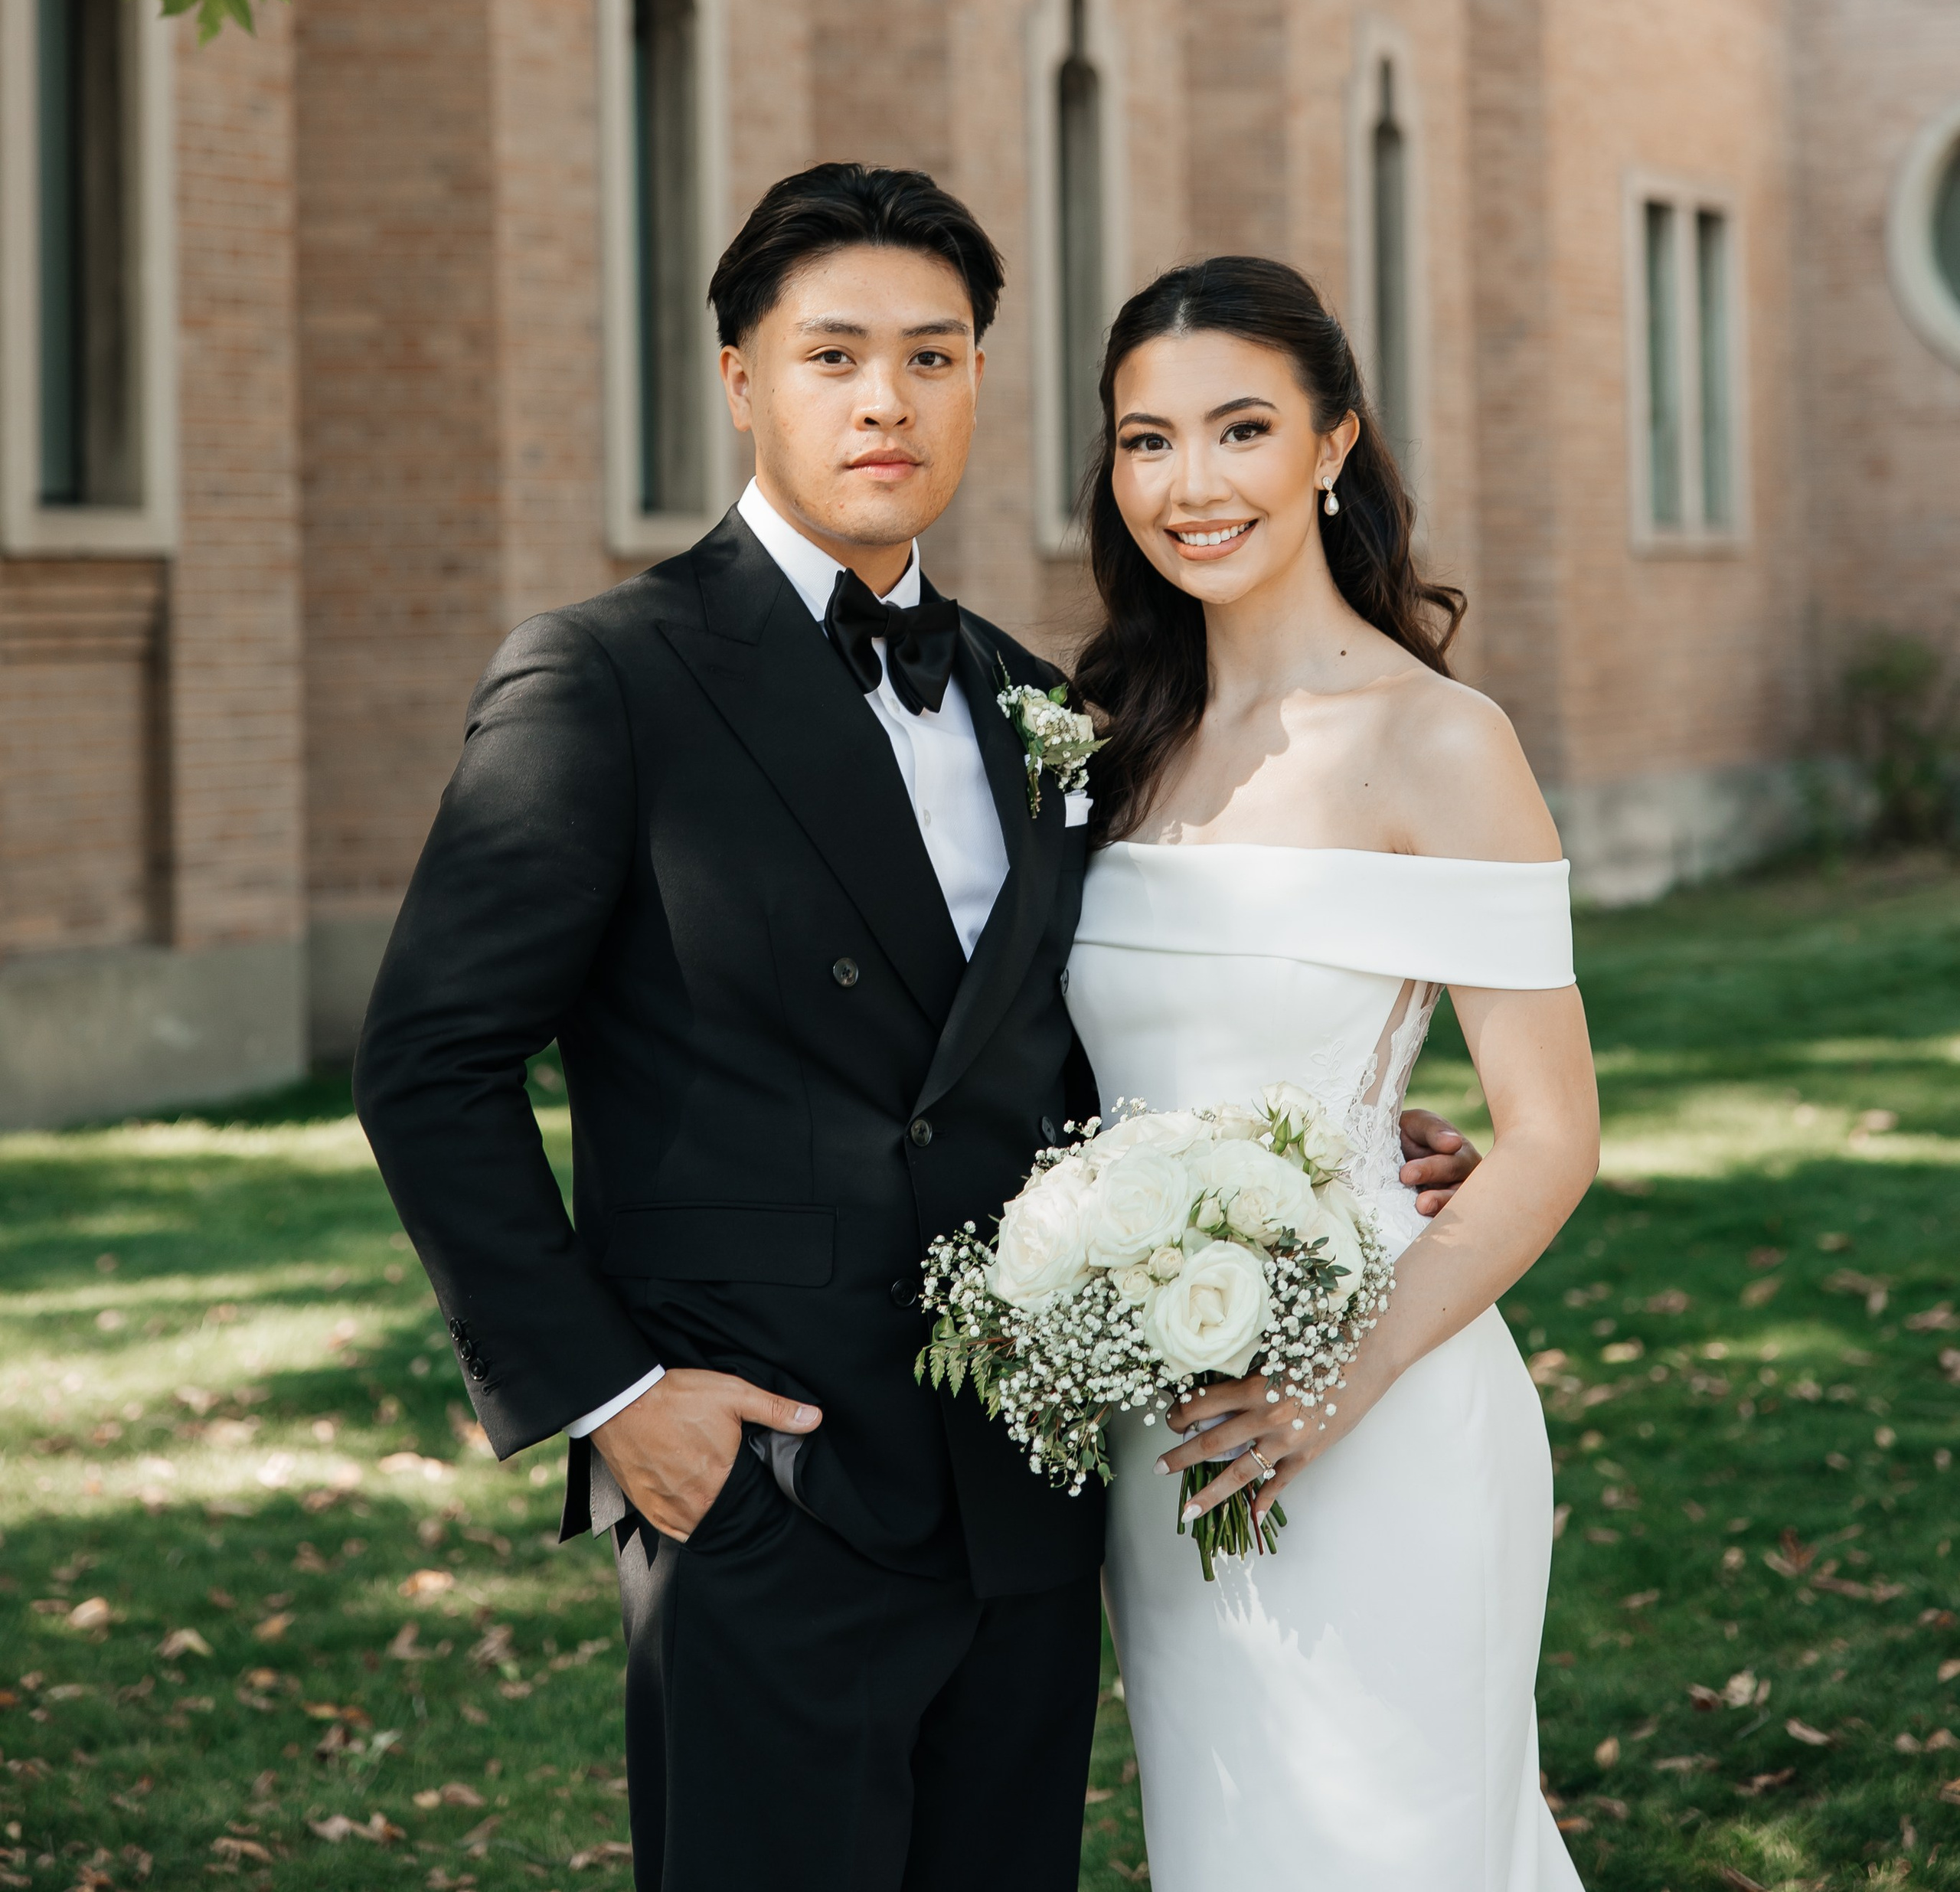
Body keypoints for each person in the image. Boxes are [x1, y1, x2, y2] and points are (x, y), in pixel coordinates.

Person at [352, 167, 1478, 1891]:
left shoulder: (1040, 703)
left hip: (1027, 1482)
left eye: (931, 357)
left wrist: (1308, 1145)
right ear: (742, 379)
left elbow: (1045, 1050)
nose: (886, 399)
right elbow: (427, 1064)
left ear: (975, 383)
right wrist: (613, 1397)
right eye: (835, 356)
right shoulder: (605, 679)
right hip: (761, 1484)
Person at [1065, 254, 1600, 1892]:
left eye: (1240, 429)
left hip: (1377, 1410)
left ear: (1331, 445)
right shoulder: (1106, 734)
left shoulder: (1438, 740)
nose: (1192, 484)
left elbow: (1551, 1136)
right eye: (1147, 440)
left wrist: (1331, 1383)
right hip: (1164, 1429)